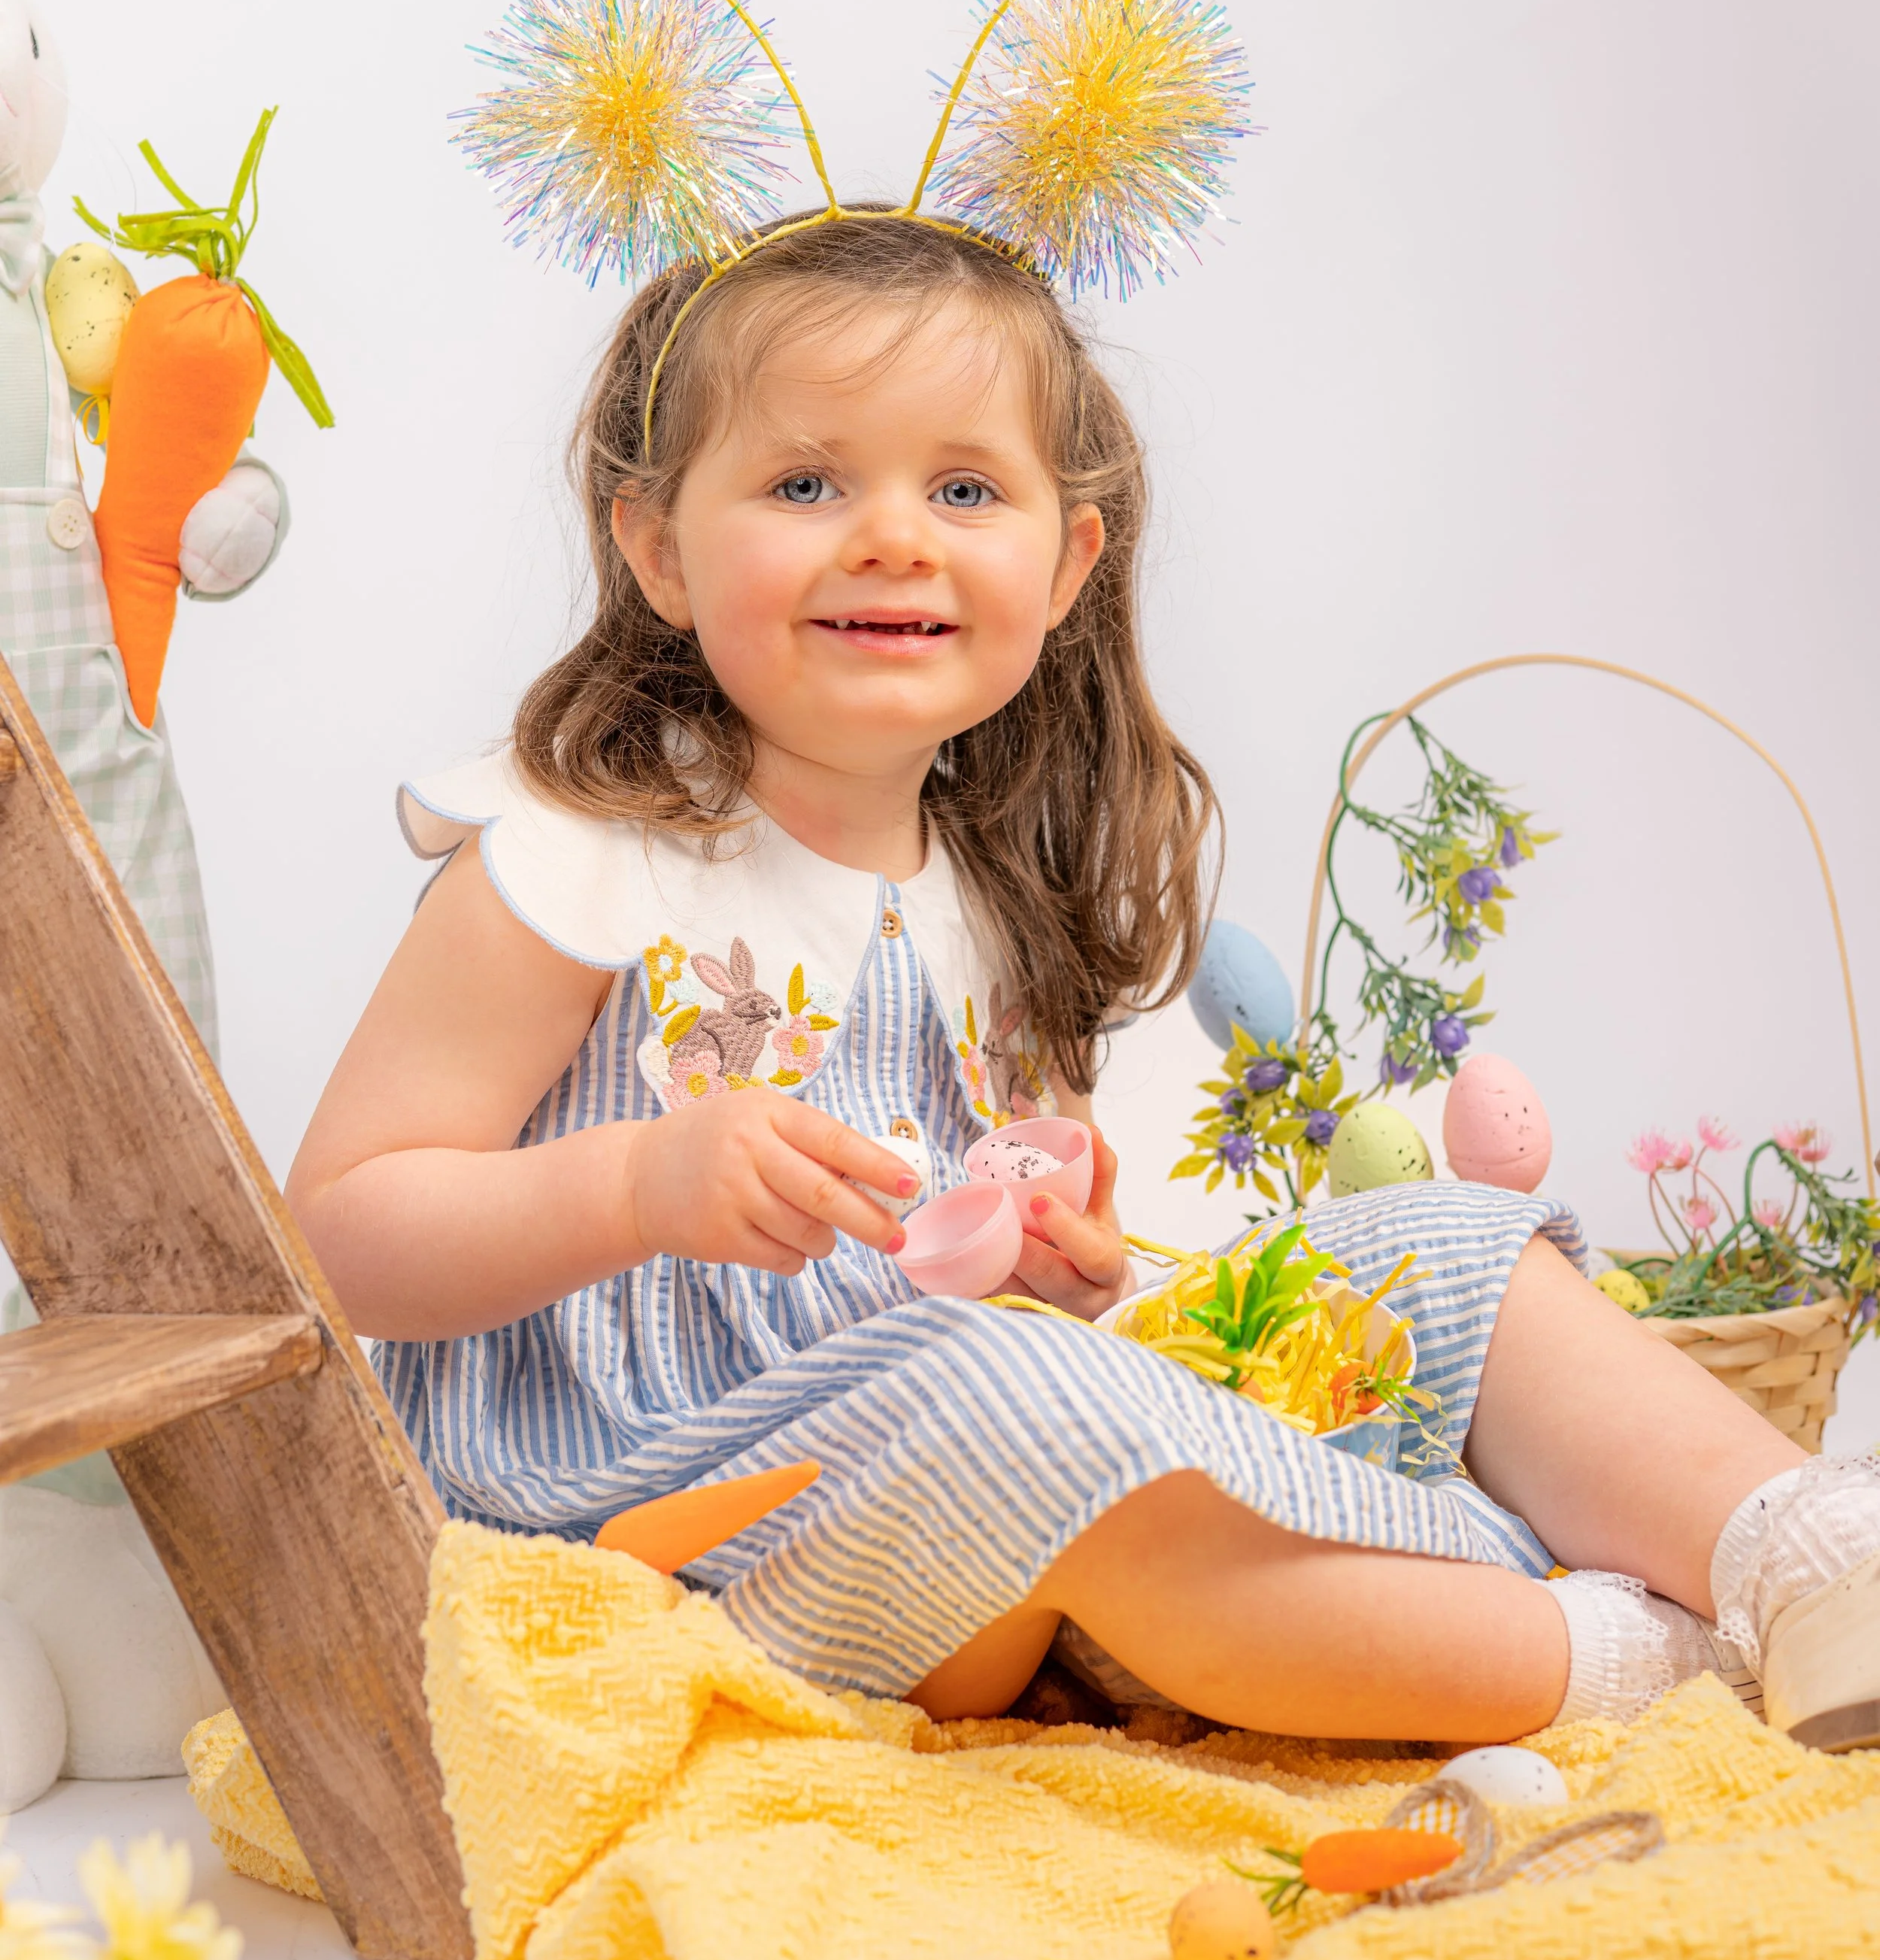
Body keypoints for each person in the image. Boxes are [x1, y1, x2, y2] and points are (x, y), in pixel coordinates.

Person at [287, 209, 1880, 1752]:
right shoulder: (578, 857)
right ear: (657, 548)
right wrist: (633, 1180)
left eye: (965, 484)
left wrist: (1076, 1263)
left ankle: (1796, 1556)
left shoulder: (992, 897)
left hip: (986, 1504)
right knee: (1015, 1396)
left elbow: (1010, 1281)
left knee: (1424, 1243)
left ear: (1065, 563)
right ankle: (1637, 1659)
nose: (891, 531)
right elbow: (340, 1237)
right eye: (802, 479)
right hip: (671, 1524)